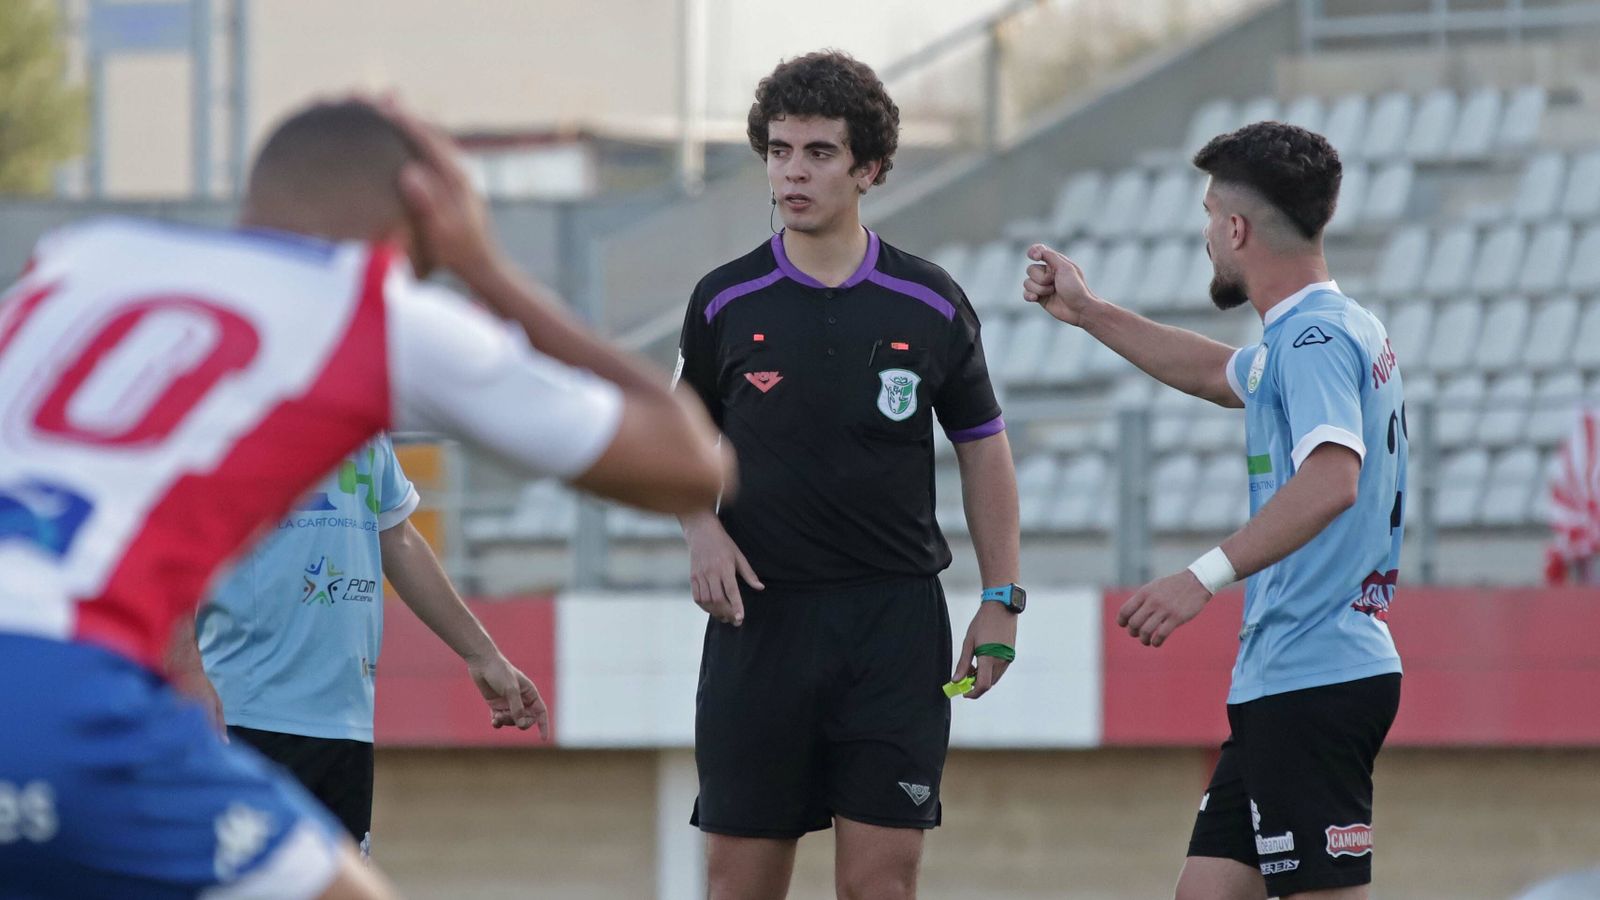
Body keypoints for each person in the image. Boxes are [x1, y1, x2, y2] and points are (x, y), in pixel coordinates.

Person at [0, 97, 730, 900]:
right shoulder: (365, 309)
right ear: (422, 215)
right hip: (65, 689)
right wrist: (485, 269)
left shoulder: (87, 258)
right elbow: (690, 464)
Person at [1022, 121, 1405, 900]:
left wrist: (1201, 576)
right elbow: (1213, 371)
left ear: (1236, 228)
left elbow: (1333, 479)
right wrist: (1089, 310)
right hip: (1286, 676)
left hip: (1315, 674)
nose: (1206, 238)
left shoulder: (1315, 340)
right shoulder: (1317, 331)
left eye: (1208, 217)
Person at [674, 52, 1023, 900]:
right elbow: (676, 437)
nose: (793, 171)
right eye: (780, 150)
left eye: (819, 152)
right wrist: (701, 527)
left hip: (893, 627)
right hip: (762, 621)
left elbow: (984, 447)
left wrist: (1001, 598)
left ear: (868, 167)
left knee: (882, 887)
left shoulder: (930, 301)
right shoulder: (725, 300)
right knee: (739, 888)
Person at [165, 431, 534, 857]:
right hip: (246, 715)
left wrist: (482, 653)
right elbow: (172, 533)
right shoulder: (241, 408)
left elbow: (399, 538)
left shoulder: (363, 422)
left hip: (346, 724)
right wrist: (186, 666)